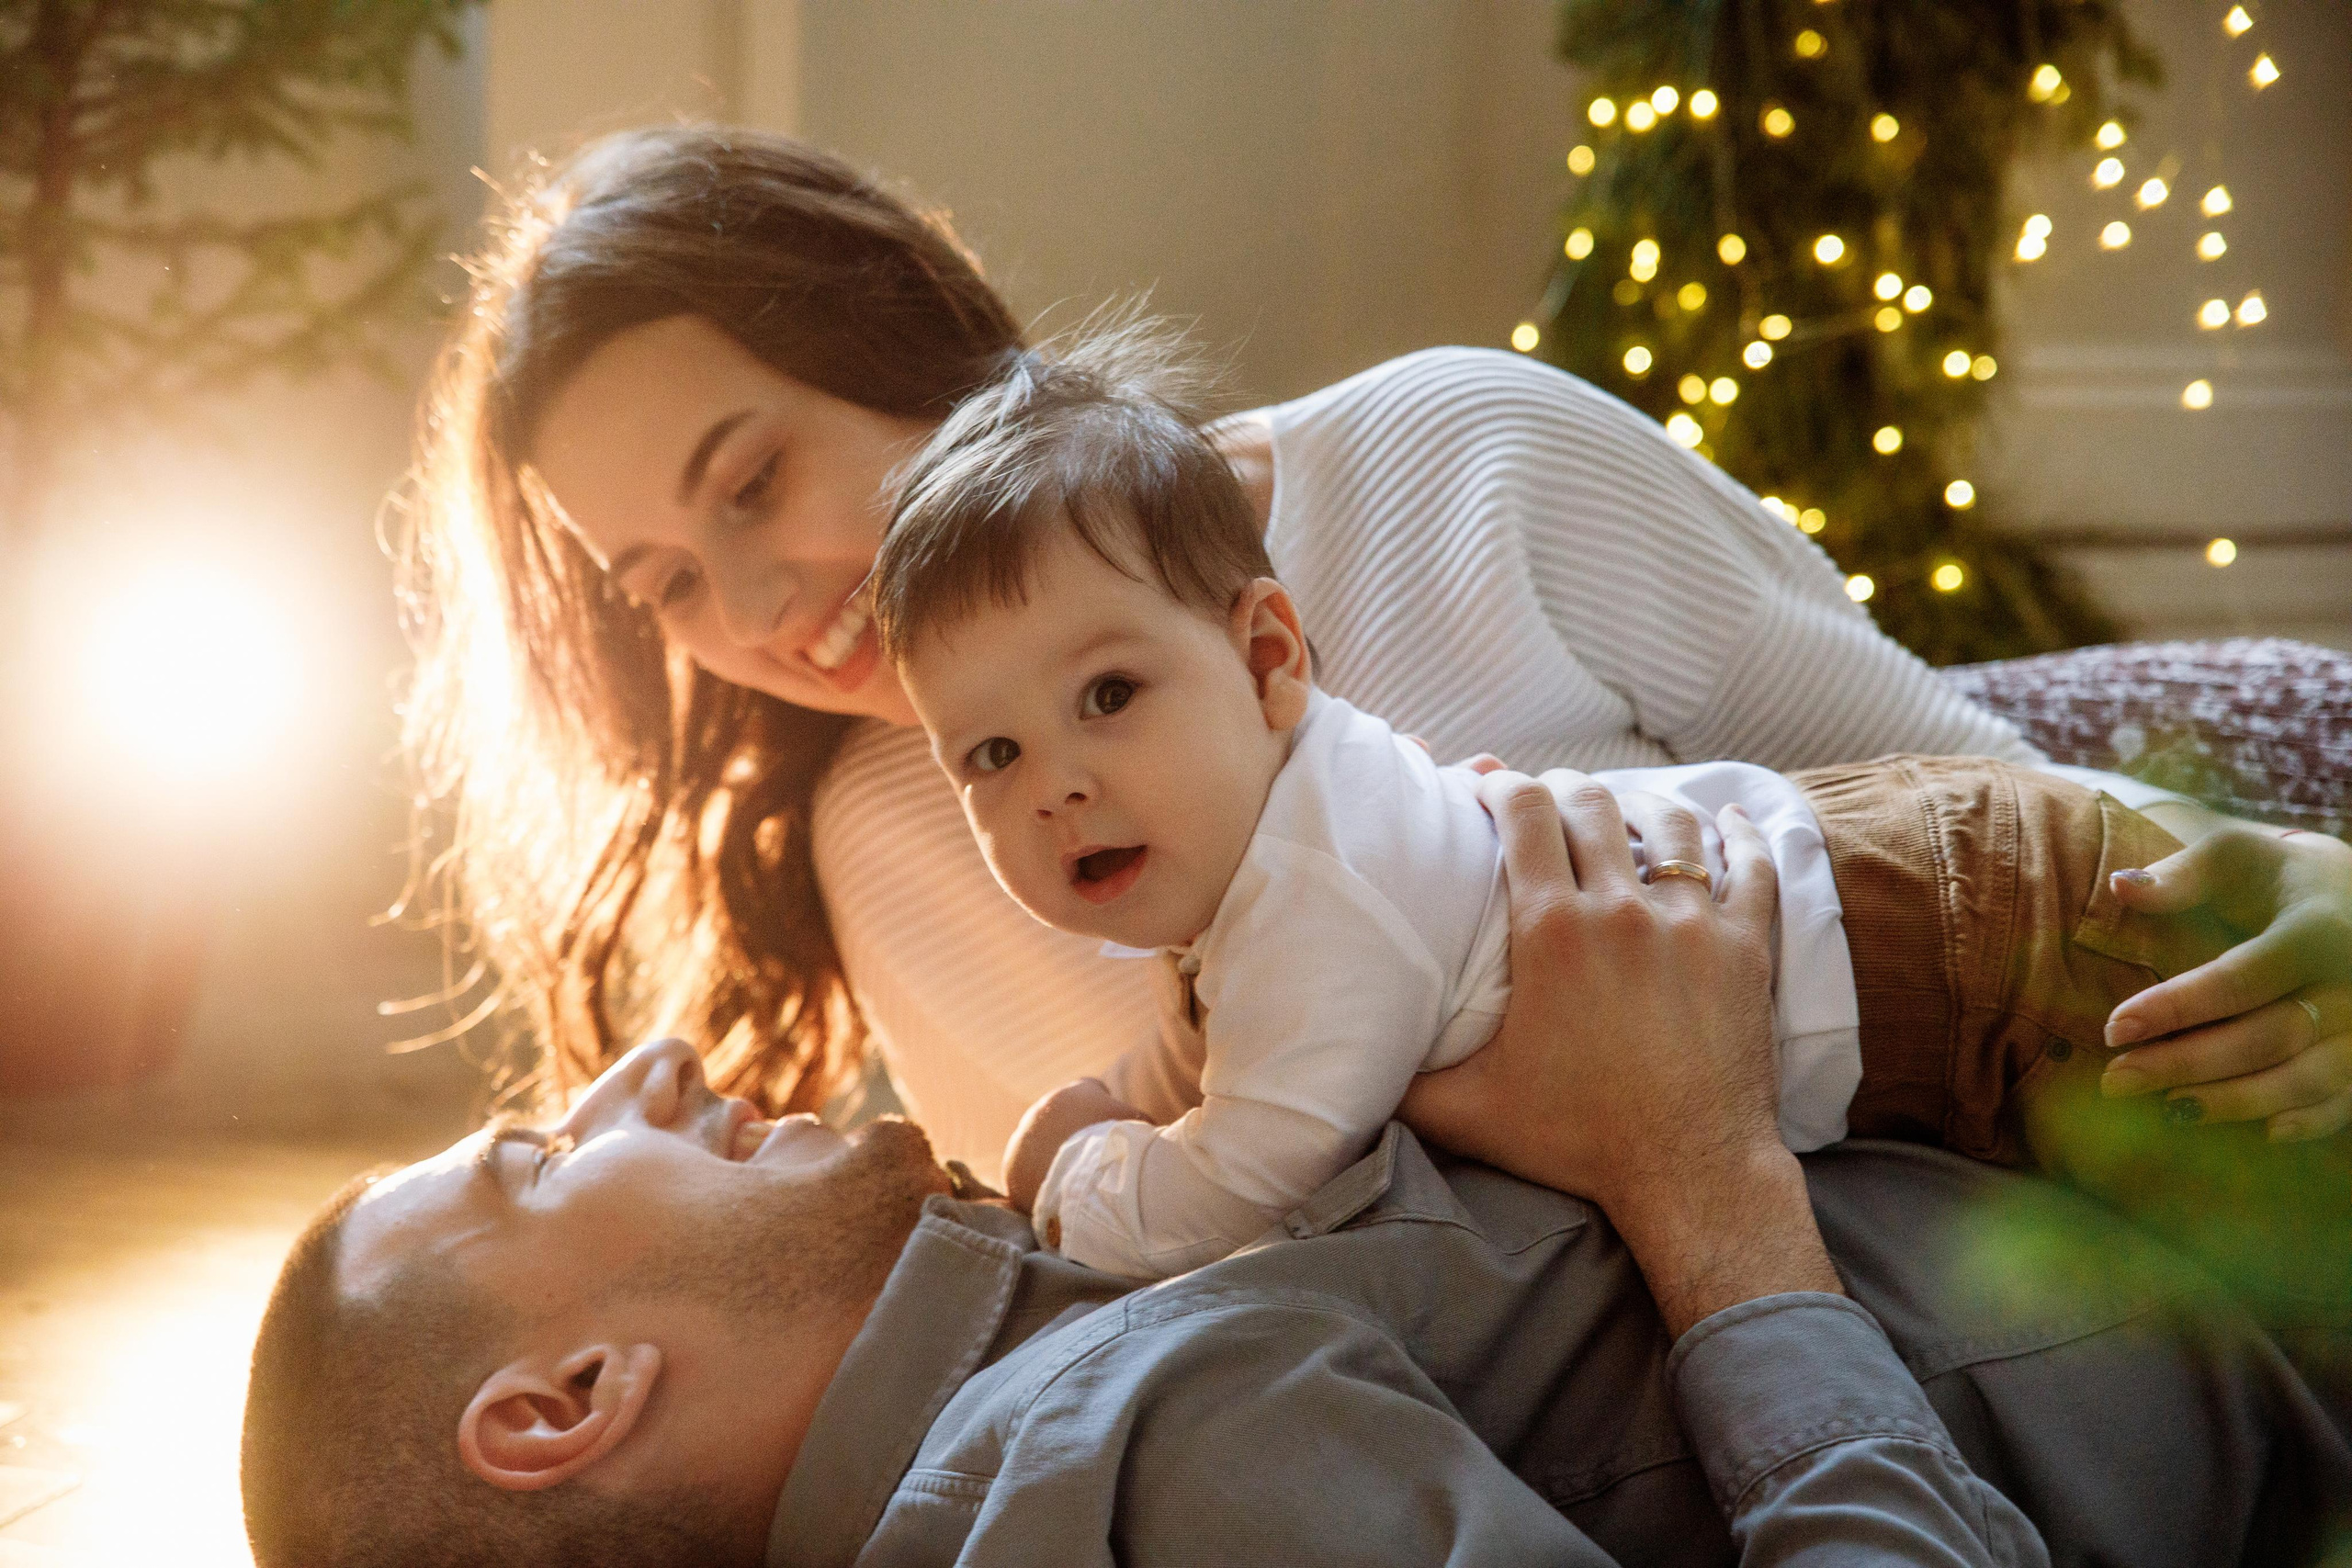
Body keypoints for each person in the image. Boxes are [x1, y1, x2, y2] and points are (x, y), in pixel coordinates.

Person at [401, 126, 2352, 1194]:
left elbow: (1941, 778)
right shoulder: (900, 835)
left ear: (892, 326)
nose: (750, 608)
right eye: (660, 582)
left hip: (1987, 1067)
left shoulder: (1458, 455)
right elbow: (1176, 1279)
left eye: (754, 481)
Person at [240, 783, 2352, 1568]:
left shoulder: (1064, 1345)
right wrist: (1694, 1173)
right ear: (566, 1400)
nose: (648, 1063)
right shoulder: (1129, 1446)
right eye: (534, 1152)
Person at [864, 333, 2351, 1289]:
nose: (1052, 781)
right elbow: (1225, 1042)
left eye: (1107, 698)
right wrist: (1130, 1087)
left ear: (1267, 658)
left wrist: (1083, 1177)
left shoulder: (1324, 890)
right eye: (986, 758)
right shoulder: (1281, 836)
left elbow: (1250, 1177)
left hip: (1964, 963)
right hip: (1930, 889)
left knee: (2267, 1234)